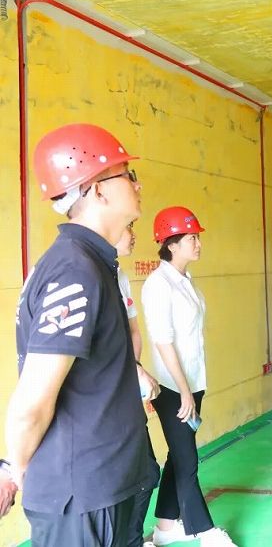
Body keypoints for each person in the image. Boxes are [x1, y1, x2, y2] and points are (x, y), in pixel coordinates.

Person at [6, 123, 153, 545]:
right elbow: (32, 403)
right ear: (98, 190)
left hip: (105, 486)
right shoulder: (75, 270)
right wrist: (17, 468)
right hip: (82, 499)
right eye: (128, 174)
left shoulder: (91, 263)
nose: (138, 185)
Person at [141, 207, 236, 546]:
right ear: (171, 244)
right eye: (192, 238)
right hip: (173, 387)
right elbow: (162, 340)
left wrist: (191, 388)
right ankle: (205, 531)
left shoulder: (185, 281)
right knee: (187, 459)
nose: (198, 243)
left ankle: (166, 527)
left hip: (192, 383)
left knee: (178, 455)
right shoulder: (158, 285)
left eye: (197, 237)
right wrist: (182, 390)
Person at [115, 222, 162, 547]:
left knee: (147, 474)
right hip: (103, 403)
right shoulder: (82, 272)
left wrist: (134, 369)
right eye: (128, 227)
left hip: (126, 391)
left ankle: (132, 540)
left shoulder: (118, 274)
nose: (134, 234)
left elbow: (132, 331)